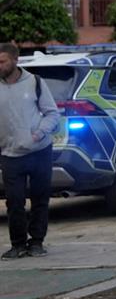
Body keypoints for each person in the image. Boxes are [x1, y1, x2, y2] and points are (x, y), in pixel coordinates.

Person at [0, 41, 58, 259]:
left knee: (40, 198)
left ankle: (36, 241)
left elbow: (52, 114)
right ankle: (17, 244)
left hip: (39, 151)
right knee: (14, 201)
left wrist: (38, 133)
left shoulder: (35, 82)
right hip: (9, 153)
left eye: (2, 61)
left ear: (15, 60)